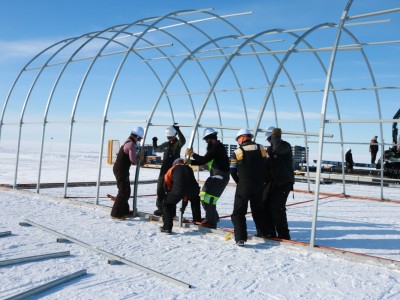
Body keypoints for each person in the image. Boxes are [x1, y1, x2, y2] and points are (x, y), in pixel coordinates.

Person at [229, 128, 269, 246]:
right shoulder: (261, 148)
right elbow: (266, 165)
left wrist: (239, 182)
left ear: (241, 138)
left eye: (238, 139)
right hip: (259, 184)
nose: (238, 142)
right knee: (258, 210)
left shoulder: (238, 152)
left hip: (244, 184)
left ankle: (240, 238)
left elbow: (232, 170)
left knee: (238, 212)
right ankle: (264, 233)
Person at [185, 128, 230, 229]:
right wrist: (190, 162)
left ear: (210, 139)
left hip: (219, 176)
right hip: (216, 176)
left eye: (206, 139)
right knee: (204, 196)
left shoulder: (217, 146)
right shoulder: (215, 147)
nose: (205, 142)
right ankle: (213, 217)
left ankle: (211, 221)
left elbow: (204, 159)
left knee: (208, 197)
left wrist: (192, 155)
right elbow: (204, 161)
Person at [263, 127, 295, 240]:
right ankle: (270, 232)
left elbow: (278, 149)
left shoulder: (285, 146)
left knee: (278, 207)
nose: (269, 141)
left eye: (270, 139)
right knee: (265, 204)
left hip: (284, 182)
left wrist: (275, 136)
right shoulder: (270, 149)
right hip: (273, 181)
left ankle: (284, 235)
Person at [160, 158, 201, 234]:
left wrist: (170, 192)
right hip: (194, 189)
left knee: (166, 204)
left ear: (175, 163)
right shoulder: (189, 168)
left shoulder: (172, 168)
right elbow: (189, 180)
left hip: (179, 190)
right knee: (195, 200)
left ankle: (167, 227)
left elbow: (167, 181)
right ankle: (197, 220)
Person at [152, 125, 186, 216]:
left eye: (170, 137)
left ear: (174, 135)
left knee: (171, 190)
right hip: (164, 169)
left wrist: (178, 131)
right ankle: (160, 208)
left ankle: (171, 211)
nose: (169, 138)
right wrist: (154, 142)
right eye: (168, 137)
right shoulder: (166, 145)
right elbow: (156, 149)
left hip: (174, 170)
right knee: (160, 188)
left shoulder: (177, 144)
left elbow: (183, 141)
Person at [110, 127, 144, 220]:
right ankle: (116, 214)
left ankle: (124, 211)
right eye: (140, 138)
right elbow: (133, 160)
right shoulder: (131, 144)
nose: (140, 140)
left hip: (121, 169)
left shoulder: (127, 141)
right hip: (121, 169)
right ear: (136, 136)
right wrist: (139, 159)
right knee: (123, 191)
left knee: (126, 190)